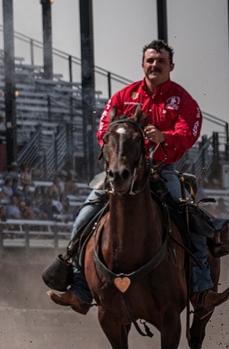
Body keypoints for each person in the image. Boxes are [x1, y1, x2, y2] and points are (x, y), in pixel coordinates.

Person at [47, 40, 229, 313]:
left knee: (188, 218)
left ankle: (201, 288)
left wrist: (164, 136)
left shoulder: (182, 100)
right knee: (84, 217)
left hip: (162, 171)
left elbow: (189, 132)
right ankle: (81, 289)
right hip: (121, 172)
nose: (155, 65)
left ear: (171, 66)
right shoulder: (122, 97)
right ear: (143, 64)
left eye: (161, 62)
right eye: (150, 60)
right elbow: (103, 132)